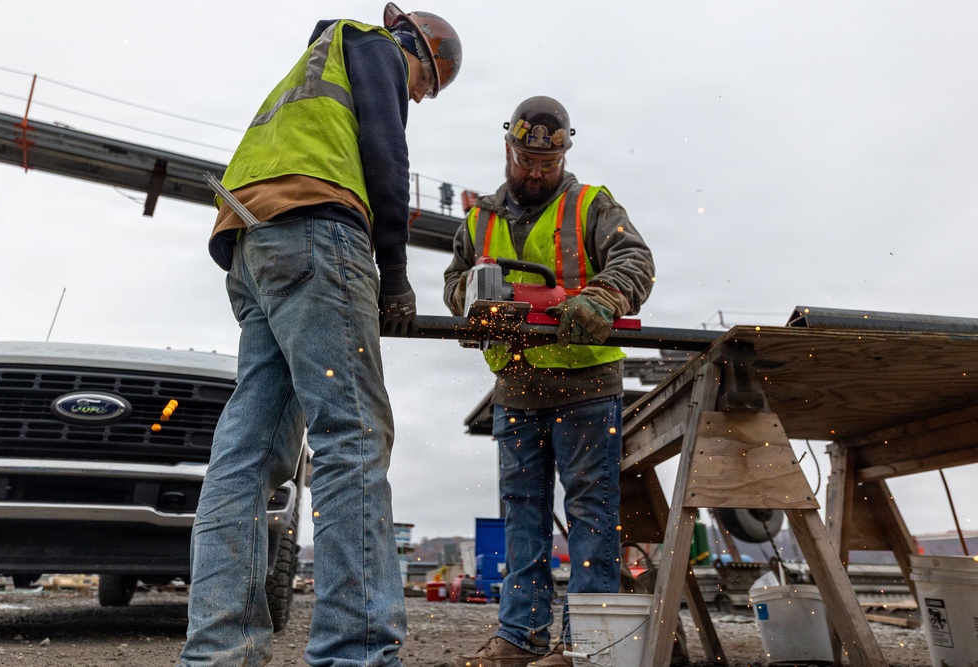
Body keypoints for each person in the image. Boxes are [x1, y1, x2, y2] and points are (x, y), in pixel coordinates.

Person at [178, 5, 461, 666]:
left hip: (253, 246)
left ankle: (220, 652)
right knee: (352, 435)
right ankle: (355, 651)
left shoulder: (308, 72)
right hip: (316, 230)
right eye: (427, 83)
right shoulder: (372, 45)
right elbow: (388, 156)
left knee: (246, 455)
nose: (418, 94)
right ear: (418, 49)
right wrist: (393, 272)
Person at [444, 97, 655, 667]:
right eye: (525, 160)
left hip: (586, 383)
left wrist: (602, 296)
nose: (535, 171)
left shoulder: (593, 206)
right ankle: (520, 638)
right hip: (517, 383)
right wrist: (472, 296)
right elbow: (453, 282)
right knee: (523, 514)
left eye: (547, 162)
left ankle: (584, 645)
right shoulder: (478, 219)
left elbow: (635, 260)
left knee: (590, 513)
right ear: (509, 149)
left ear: (563, 153)